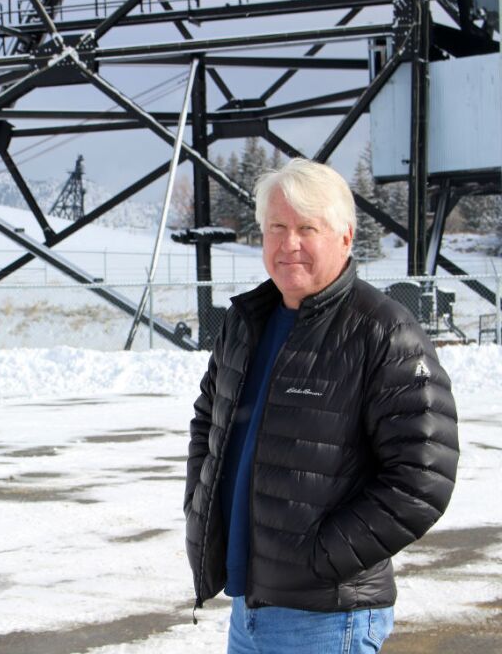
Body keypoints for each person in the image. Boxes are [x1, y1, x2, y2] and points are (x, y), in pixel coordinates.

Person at [184, 158, 459, 653]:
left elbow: (422, 478)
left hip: (328, 617)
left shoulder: (384, 332)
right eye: (277, 228)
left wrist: (321, 557)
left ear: (345, 238)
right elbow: (209, 425)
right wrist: (199, 509)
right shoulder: (247, 323)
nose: (289, 244)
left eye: (307, 228)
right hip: (249, 606)